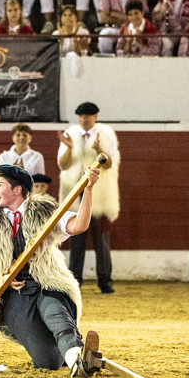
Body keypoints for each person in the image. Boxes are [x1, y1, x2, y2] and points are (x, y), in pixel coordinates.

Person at [0, 164, 104, 378]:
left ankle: (76, 357)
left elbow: (78, 226)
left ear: (17, 190)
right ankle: (68, 352)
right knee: (47, 362)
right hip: (15, 295)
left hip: (48, 283)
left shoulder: (45, 211)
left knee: (55, 314)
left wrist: (88, 190)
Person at [58, 102, 119, 294]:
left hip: (99, 192)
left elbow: (109, 164)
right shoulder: (71, 134)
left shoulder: (106, 134)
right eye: (82, 116)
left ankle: (105, 282)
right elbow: (63, 165)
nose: (84, 119)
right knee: (76, 238)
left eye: (88, 116)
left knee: (101, 240)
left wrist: (99, 147)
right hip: (76, 190)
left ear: (96, 117)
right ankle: (75, 282)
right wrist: (69, 148)